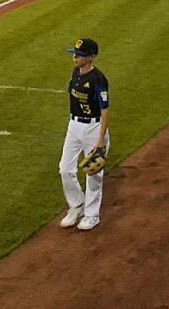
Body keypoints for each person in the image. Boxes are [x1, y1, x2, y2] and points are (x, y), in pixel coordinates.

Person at [59, 37, 112, 231]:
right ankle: (77, 205)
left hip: (93, 128)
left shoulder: (99, 79)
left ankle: (91, 215)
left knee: (94, 173)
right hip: (74, 125)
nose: (75, 58)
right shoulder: (76, 73)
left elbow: (105, 109)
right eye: (75, 54)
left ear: (91, 57)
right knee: (65, 168)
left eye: (79, 55)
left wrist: (100, 141)